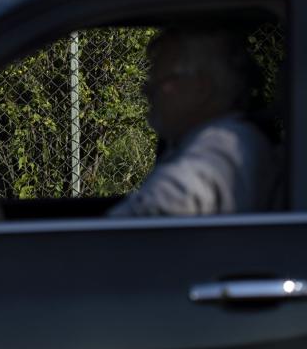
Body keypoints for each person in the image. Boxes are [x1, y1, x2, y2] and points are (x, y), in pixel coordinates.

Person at [108, 27, 279, 217]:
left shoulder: (223, 148)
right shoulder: (231, 138)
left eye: (160, 79)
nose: (145, 90)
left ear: (201, 88)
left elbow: (168, 201)